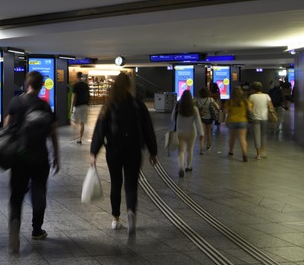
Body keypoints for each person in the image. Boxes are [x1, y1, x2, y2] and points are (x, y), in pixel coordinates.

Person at [90, 73, 157, 235]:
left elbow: (100, 130)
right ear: (128, 86)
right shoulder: (138, 105)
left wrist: (94, 152)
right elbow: (148, 129)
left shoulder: (109, 105)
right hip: (134, 150)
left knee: (116, 183)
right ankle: (131, 213)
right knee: (131, 184)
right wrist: (153, 152)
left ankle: (115, 219)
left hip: (114, 151)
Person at [6, 71, 59, 253]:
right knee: (39, 192)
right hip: (40, 157)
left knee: (17, 194)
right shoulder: (44, 106)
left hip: (19, 157)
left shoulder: (16, 102)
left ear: (26, 83)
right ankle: (36, 230)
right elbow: (53, 132)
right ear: (41, 85)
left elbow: (7, 125)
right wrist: (57, 156)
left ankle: (14, 225)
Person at [171, 90, 204, 178]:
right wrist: (201, 133)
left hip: (180, 132)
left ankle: (181, 167)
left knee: (181, 151)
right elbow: (198, 122)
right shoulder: (194, 109)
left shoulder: (178, 106)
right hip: (191, 132)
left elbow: (172, 118)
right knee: (190, 150)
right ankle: (188, 167)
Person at [223, 86, 250, 162]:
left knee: (232, 137)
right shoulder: (244, 101)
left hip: (232, 121)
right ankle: (244, 154)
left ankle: (231, 151)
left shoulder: (230, 101)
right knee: (242, 138)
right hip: (243, 120)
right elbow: (249, 109)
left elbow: (226, 111)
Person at [248, 81, 273, 159]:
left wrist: (251, 115)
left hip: (255, 118)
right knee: (263, 135)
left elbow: (249, 108)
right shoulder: (267, 96)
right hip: (264, 118)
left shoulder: (251, 97)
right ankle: (263, 152)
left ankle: (258, 153)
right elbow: (270, 107)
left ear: (253, 89)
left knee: (256, 135)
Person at [196, 86, 220, 154]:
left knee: (202, 133)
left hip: (202, 118)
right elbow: (218, 107)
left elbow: (197, 109)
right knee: (208, 133)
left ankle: (201, 148)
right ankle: (208, 145)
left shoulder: (199, 100)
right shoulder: (210, 99)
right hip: (209, 119)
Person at [71, 71, 90, 144]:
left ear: (76, 76)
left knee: (73, 121)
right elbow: (89, 96)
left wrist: (71, 108)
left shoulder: (76, 85)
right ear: (82, 76)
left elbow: (74, 97)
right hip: (85, 105)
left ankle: (74, 130)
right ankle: (80, 139)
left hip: (78, 106)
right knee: (82, 123)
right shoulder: (86, 85)